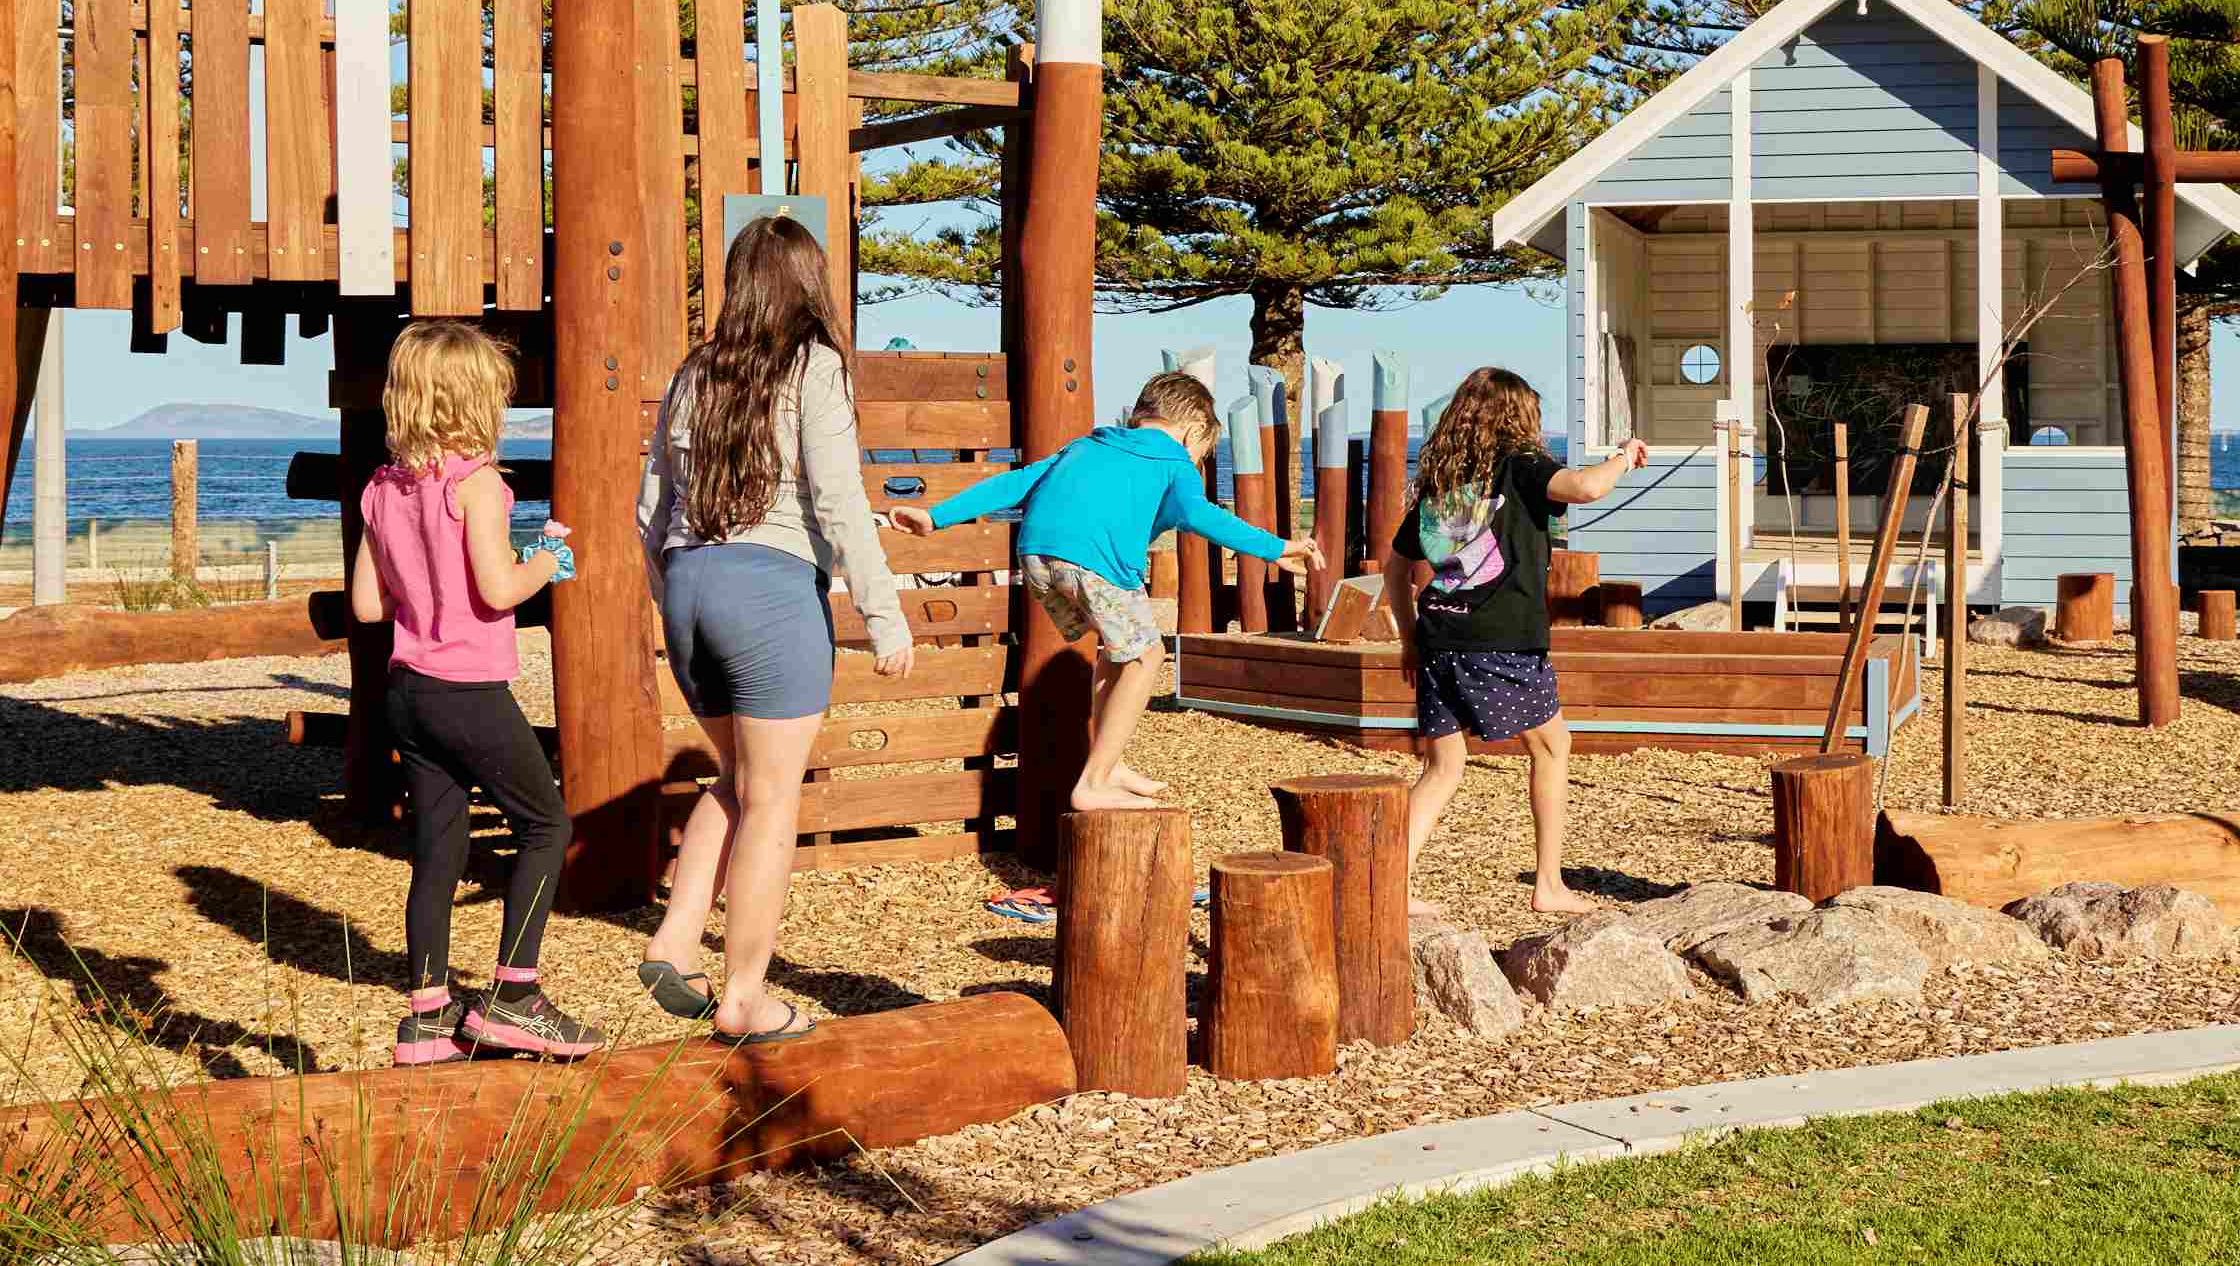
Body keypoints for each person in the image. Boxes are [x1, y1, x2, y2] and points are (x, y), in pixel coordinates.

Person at [635, 214, 910, 1046]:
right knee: (774, 800)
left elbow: (650, 509)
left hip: (688, 587)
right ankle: (744, 996)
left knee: (736, 777)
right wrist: (883, 613)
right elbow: (838, 500)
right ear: (808, 284)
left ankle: (677, 939)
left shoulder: (695, 372)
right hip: (770, 593)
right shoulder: (814, 368)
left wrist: (674, 594)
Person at [884, 368, 1310, 822]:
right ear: (1192, 431)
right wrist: (1276, 547)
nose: (1199, 460)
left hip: (1037, 559)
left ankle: (1111, 763)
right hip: (1092, 564)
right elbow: (1202, 515)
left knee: (1119, 650)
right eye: (1203, 452)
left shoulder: (1087, 446)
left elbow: (1013, 483)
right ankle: (1093, 782)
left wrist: (936, 518)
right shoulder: (1173, 461)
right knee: (1147, 656)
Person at [348, 320, 599, 1064]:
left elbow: (368, 606)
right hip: (468, 690)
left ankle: (428, 1015)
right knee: (547, 825)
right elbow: (497, 592)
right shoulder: (480, 485)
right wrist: (547, 560)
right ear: (476, 404)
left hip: (408, 688)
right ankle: (516, 996)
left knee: (439, 844)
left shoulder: (380, 489)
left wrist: (429, 593)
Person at [1392, 367, 1646, 919]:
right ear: (1519, 416)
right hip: (1499, 640)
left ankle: (1391, 880)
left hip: (1438, 637)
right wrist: (1625, 454)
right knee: (1553, 746)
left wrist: (1408, 638)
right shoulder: (1522, 466)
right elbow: (1586, 487)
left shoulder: (1443, 482)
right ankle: (1549, 884)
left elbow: (1396, 569)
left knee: (1443, 767)